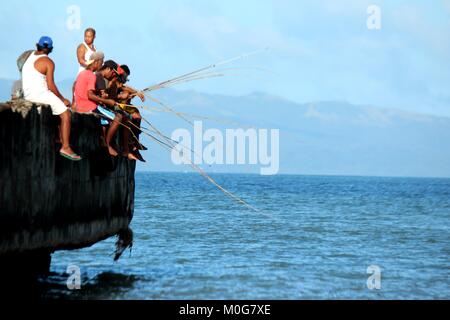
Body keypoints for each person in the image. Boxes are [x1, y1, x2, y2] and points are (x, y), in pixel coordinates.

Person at [22, 36, 81, 161]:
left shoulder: (29, 56)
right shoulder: (48, 62)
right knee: (65, 114)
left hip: (28, 94)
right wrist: (62, 98)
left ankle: (58, 137)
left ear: (37, 45)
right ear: (51, 49)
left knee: (56, 110)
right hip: (40, 94)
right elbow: (51, 85)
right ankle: (65, 146)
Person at [74, 53, 130, 158]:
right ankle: (108, 144)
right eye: (101, 62)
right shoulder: (93, 76)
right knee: (118, 118)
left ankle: (105, 142)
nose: (101, 64)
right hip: (89, 106)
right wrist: (107, 101)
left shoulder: (83, 73)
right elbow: (89, 95)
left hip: (81, 105)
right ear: (96, 62)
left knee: (106, 119)